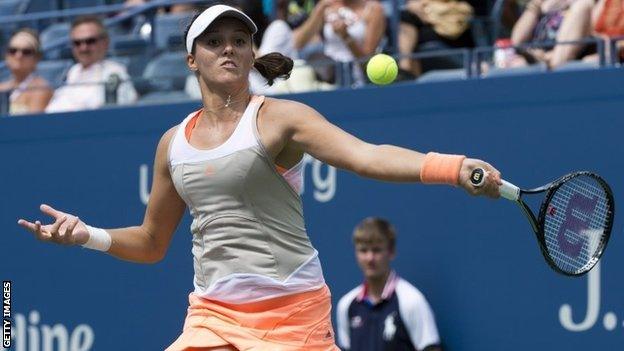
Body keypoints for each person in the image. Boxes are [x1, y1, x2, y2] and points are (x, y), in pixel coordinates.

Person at [17, 4, 501, 350]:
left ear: (252, 55)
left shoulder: (282, 118)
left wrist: (452, 167)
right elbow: (151, 241)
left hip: (292, 317)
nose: (228, 48)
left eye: (240, 41)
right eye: (213, 41)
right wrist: (87, 236)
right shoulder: (172, 143)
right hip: (211, 316)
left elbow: (367, 157)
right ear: (192, 59)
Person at [336, 218, 442, 351]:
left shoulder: (411, 300)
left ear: (391, 252)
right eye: (363, 250)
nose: (370, 258)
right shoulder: (346, 306)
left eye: (377, 250)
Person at [45, 16, 137, 113]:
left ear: (105, 42)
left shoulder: (114, 72)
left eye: (90, 41)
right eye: (77, 43)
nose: (83, 48)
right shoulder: (72, 72)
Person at [293, 0, 387, 85]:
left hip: (355, 78)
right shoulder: (327, 5)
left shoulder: (374, 9)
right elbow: (298, 43)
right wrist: (318, 10)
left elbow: (366, 63)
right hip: (327, 74)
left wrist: (346, 37)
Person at [0, 29, 53, 115]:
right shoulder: (2, 87)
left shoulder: (41, 89)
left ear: (37, 58)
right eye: (13, 51)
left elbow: (31, 125)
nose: (18, 56)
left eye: (26, 52)